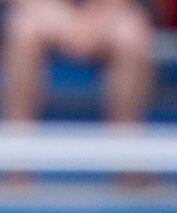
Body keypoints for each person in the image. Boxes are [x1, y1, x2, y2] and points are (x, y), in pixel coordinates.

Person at [1, 0, 153, 127]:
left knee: (130, 35)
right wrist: (59, 17)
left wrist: (96, 20)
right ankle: (17, 151)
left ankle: (127, 153)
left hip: (109, 13)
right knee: (24, 30)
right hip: (41, 10)